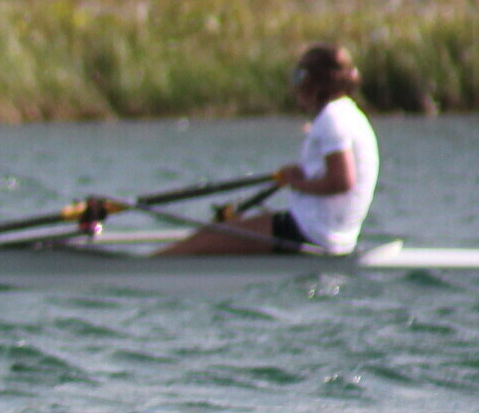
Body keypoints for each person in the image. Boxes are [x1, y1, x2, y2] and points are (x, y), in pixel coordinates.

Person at [157, 43, 380, 255]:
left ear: (315, 82)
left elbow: (342, 182)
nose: (294, 86)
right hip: (330, 234)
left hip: (310, 232)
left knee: (207, 238)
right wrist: (303, 174)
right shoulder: (349, 114)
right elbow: (337, 176)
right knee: (220, 234)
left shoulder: (332, 119)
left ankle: (147, 270)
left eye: (298, 76)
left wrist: (297, 183)